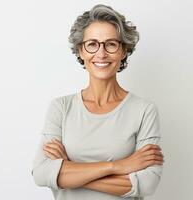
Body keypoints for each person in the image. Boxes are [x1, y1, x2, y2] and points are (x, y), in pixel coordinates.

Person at [31, 4, 164, 200]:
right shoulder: (61, 107)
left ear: (124, 51)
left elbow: (146, 184)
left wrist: (68, 171)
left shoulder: (144, 110)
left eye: (111, 44)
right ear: (81, 51)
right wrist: (117, 166)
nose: (101, 54)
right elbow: (41, 173)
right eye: (92, 44)